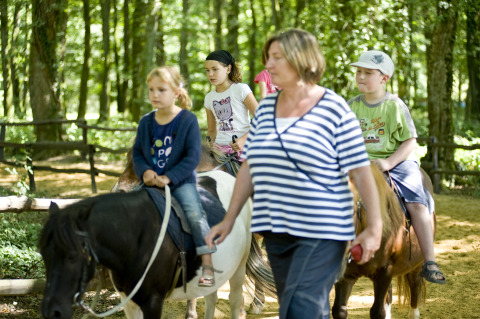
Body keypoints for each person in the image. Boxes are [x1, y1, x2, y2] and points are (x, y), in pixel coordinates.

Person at [205, 29, 383, 319]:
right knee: (298, 305)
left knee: (300, 309)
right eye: (268, 58)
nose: (269, 66)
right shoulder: (266, 111)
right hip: (276, 230)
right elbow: (249, 167)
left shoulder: (334, 108)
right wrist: (228, 220)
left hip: (323, 229)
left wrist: (374, 227)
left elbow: (361, 171)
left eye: (277, 58)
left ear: (302, 61)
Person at [348, 50, 446, 285]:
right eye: (358, 71)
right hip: (361, 163)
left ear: (384, 78)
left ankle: (429, 260)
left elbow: (410, 141)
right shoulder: (350, 106)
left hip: (396, 162)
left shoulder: (394, 106)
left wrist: (389, 162)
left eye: (367, 72)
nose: (360, 76)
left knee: (415, 201)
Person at [132, 66, 217, 287]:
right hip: (150, 182)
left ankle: (207, 262)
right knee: (127, 209)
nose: (155, 95)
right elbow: (138, 153)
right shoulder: (146, 122)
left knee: (194, 213)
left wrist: (169, 177)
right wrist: (146, 172)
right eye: (151, 90)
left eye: (161, 89)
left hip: (181, 182)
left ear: (176, 92)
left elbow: (192, 157)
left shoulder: (187, 120)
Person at [204, 50, 258, 158]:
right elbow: (211, 131)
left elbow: (262, 119)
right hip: (219, 151)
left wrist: (243, 140)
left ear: (228, 69)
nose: (210, 74)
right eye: (207, 70)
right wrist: (205, 149)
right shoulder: (209, 97)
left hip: (244, 148)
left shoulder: (240, 89)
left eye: (215, 69)